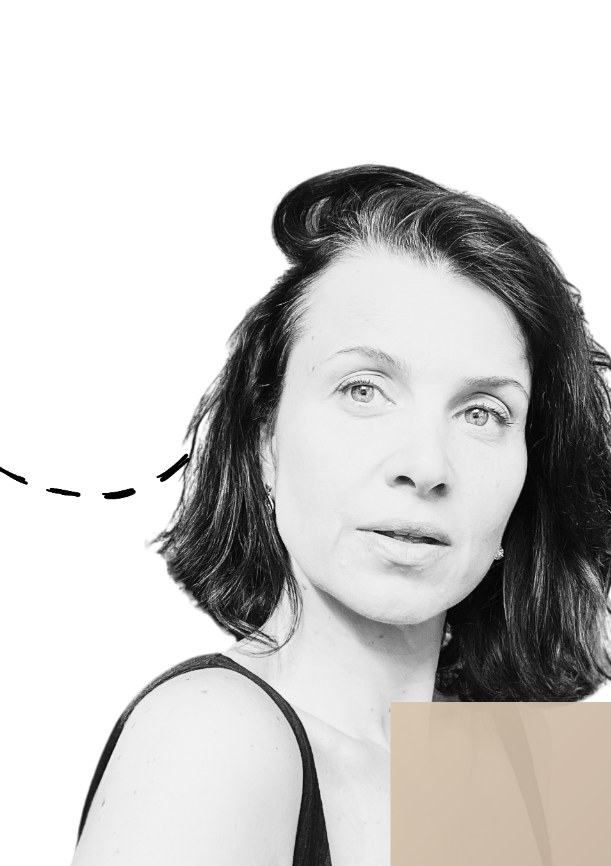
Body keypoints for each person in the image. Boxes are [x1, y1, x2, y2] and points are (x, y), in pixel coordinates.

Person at [71, 165, 611, 866]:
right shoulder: (211, 734)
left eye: (482, 413)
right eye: (363, 390)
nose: (426, 464)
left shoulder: (520, 769)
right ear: (263, 443)